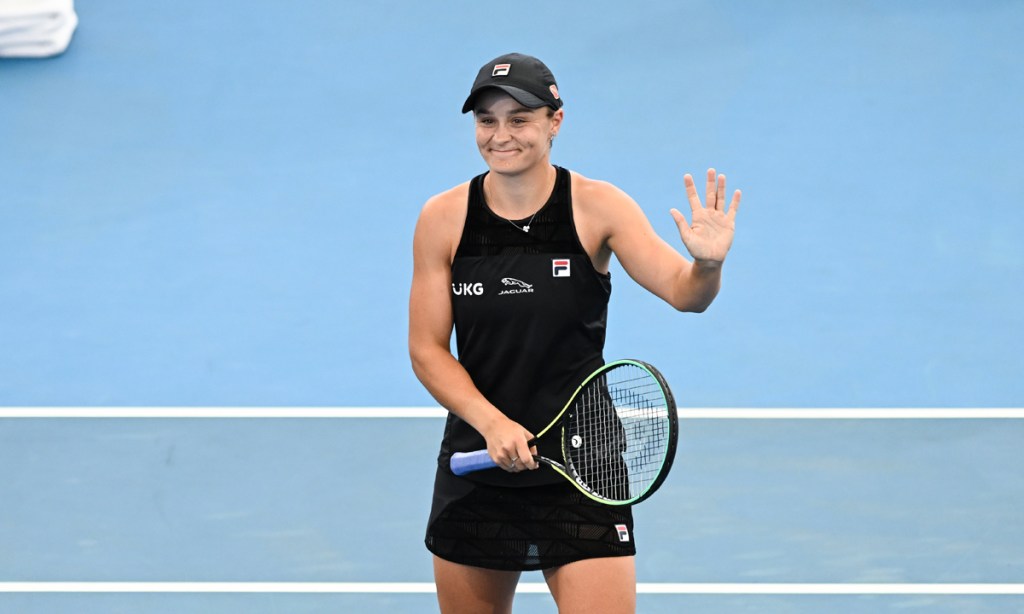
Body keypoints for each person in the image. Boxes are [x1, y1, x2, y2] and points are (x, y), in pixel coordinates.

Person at [408, 52, 740, 614]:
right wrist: (492, 424)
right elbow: (426, 350)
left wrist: (707, 265)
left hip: (584, 466)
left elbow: (686, 295)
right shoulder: (443, 218)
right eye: (487, 120)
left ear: (554, 122)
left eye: (520, 119)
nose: (500, 135)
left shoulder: (596, 207)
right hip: (480, 461)